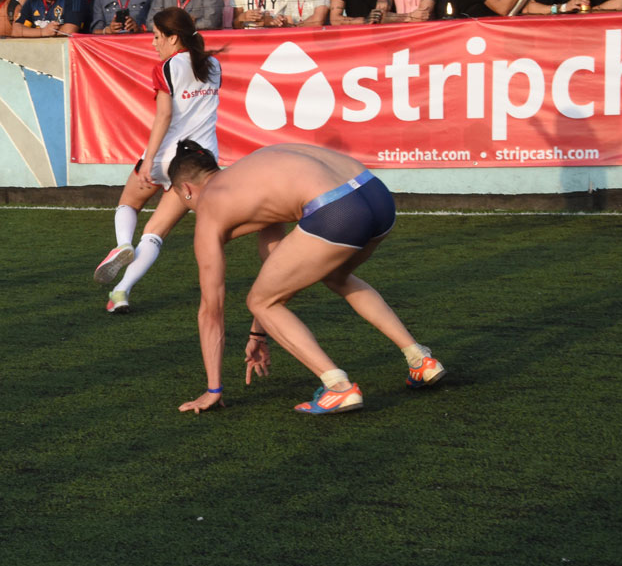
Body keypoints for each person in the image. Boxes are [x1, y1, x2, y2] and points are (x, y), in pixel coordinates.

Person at [167, 142, 446, 415]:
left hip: (336, 210)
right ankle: (420, 359)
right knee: (336, 275)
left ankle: (338, 387)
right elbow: (277, 266)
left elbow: (211, 311)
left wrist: (213, 390)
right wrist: (258, 334)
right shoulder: (252, 172)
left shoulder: (209, 209)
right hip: (376, 196)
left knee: (260, 301)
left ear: (186, 190)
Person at [93, 7, 221, 314]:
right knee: (155, 233)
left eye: (157, 36)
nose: (153, 42)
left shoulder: (167, 67)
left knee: (128, 204)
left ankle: (123, 243)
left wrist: (148, 159)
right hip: (201, 164)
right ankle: (121, 292)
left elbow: (164, 116)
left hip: (168, 154)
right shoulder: (214, 64)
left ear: (173, 37)